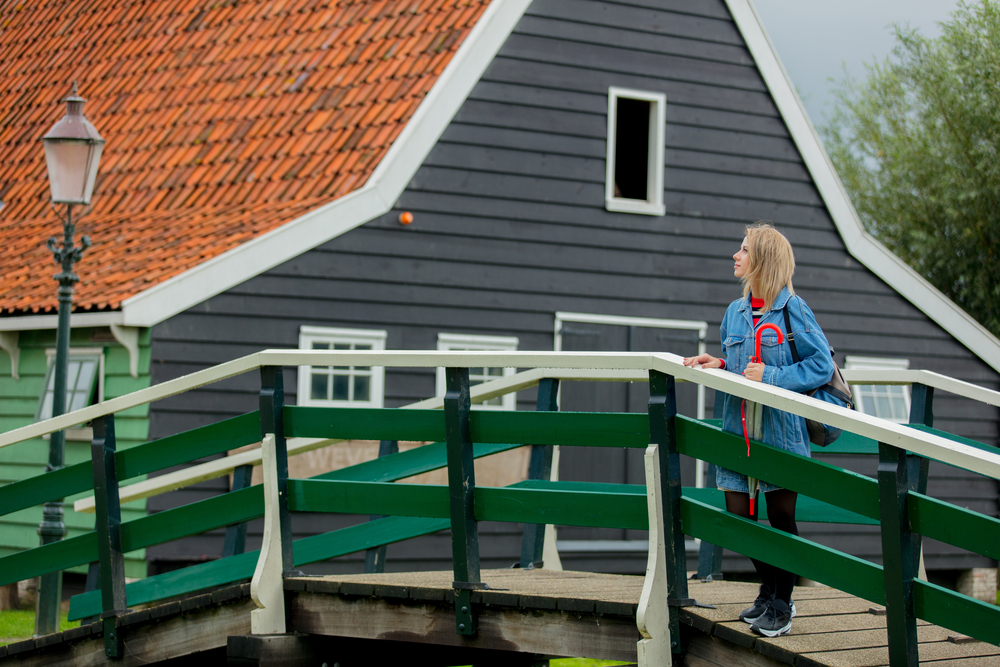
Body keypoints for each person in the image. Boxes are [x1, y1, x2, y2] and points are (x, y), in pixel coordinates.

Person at [682, 222, 835, 638]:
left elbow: (821, 366)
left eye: (744, 249)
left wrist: (771, 376)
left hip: (781, 433)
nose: (736, 255)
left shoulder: (792, 309)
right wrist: (721, 365)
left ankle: (781, 601)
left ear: (762, 260)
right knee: (739, 518)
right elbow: (742, 368)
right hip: (738, 432)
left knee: (780, 516)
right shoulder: (734, 312)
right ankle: (769, 591)